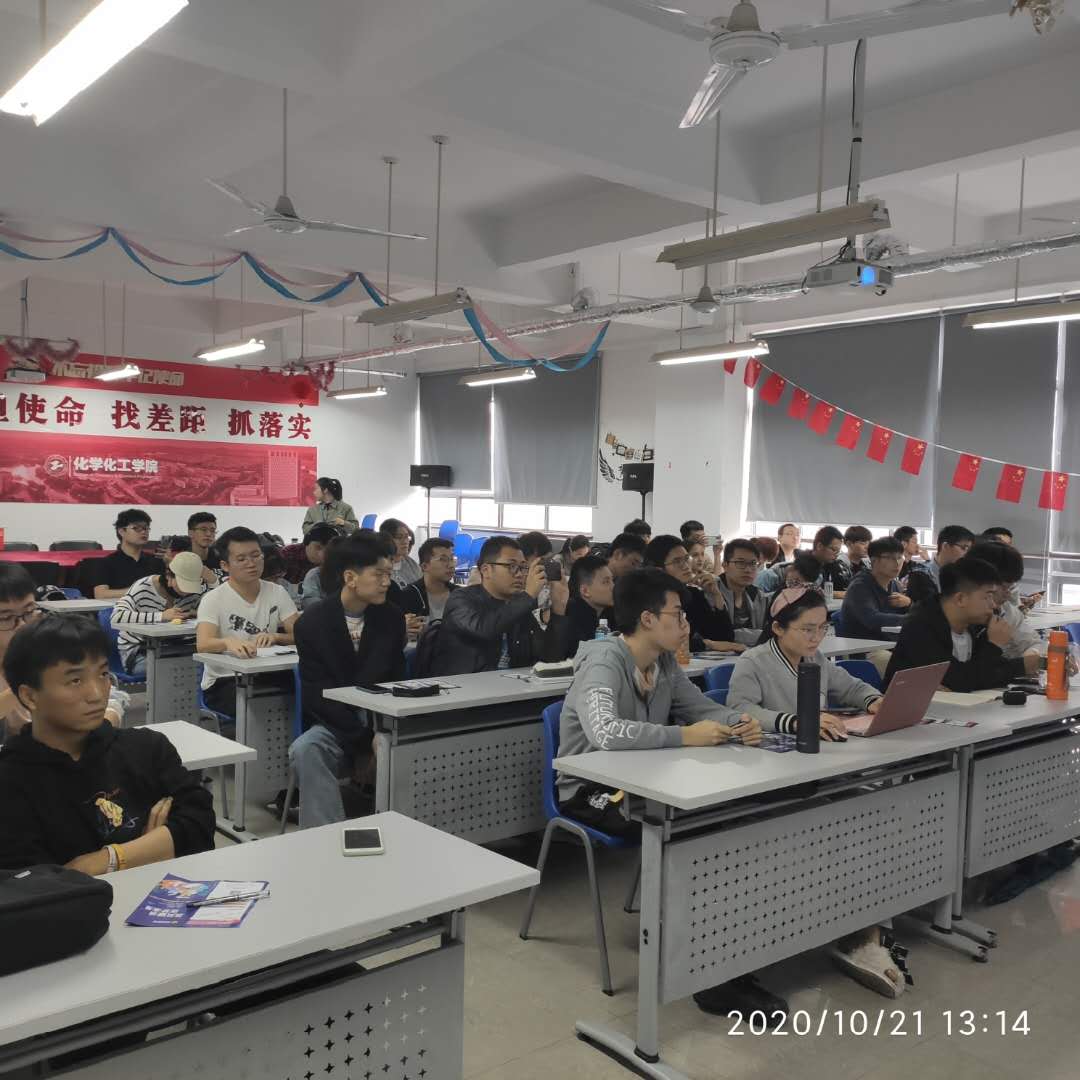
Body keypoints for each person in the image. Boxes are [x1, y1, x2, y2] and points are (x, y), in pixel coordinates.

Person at [556, 568, 772, 1020]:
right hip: (592, 791)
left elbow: (700, 708)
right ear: (648, 618)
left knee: (728, 822)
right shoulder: (604, 661)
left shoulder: (664, 663)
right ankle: (705, 973)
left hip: (649, 783)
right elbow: (605, 732)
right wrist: (683, 737)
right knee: (692, 837)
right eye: (678, 615)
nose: (686, 625)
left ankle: (724, 954)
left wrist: (738, 722)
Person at [728, 588, 910, 998]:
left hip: (817, 770)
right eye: (806, 629)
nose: (816, 638)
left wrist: (874, 700)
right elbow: (741, 710)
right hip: (769, 780)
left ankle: (864, 930)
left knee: (873, 815)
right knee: (847, 825)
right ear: (778, 628)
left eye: (822, 629)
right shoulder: (754, 662)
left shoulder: (816, 660)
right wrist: (795, 721)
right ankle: (857, 933)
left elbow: (850, 686)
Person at [0, 615, 213, 873]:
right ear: (29, 696)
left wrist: (108, 859)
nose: (97, 693)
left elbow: (200, 826)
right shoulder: (11, 779)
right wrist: (154, 847)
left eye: (102, 674)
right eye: (75, 680)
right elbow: (30, 881)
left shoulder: (147, 748)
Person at [290, 534, 406, 829]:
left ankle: (400, 830)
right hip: (336, 722)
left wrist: (379, 731)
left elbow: (396, 682)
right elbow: (318, 697)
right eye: (378, 574)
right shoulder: (312, 623)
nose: (387, 582)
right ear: (351, 577)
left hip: (381, 719)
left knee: (401, 745)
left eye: (389, 574)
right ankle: (326, 836)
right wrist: (363, 742)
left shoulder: (391, 619)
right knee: (307, 748)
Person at [0, 566, 127, 739]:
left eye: (29, 612)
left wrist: (106, 721)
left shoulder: (51, 644)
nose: (22, 625)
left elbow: (113, 698)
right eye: (6, 618)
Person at [884, 556, 1041, 691]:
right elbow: (960, 680)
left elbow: (988, 673)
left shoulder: (975, 625)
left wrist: (1021, 665)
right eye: (987, 596)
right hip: (911, 712)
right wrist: (995, 646)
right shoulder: (921, 627)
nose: (993, 605)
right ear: (960, 599)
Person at [195, 526, 299, 717]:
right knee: (261, 704)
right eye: (241, 559)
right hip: (225, 680)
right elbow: (203, 644)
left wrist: (276, 637)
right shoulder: (213, 599)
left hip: (267, 671)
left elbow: (300, 635)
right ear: (225, 565)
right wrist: (228, 642)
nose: (251, 564)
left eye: (256, 556)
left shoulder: (277, 592)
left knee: (308, 689)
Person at [427, 536, 568, 675]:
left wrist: (558, 609)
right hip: (463, 686)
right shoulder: (461, 599)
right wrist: (528, 595)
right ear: (486, 570)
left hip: (510, 686)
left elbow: (549, 658)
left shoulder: (520, 604)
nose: (520, 574)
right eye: (512, 566)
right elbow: (485, 629)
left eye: (523, 567)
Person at [111, 552, 209, 678]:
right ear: (169, 576)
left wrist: (195, 613)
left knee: (206, 666)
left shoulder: (194, 593)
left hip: (179, 649)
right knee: (181, 670)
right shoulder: (143, 588)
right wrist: (161, 616)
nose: (186, 592)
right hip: (140, 653)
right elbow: (116, 617)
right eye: (183, 585)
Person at [644, 535, 742, 654]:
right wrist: (707, 644)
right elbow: (661, 641)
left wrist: (716, 595)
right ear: (659, 570)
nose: (686, 566)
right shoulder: (647, 599)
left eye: (686, 558)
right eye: (677, 561)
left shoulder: (693, 594)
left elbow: (724, 638)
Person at [968, 541, 1041, 661]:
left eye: (1011, 588)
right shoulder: (956, 620)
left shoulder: (1007, 611)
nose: (1008, 595)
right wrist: (993, 645)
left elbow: (1034, 643)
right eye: (1004, 587)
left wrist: (1032, 655)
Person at [839, 537, 911, 641]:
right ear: (874, 560)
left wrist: (909, 603)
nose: (897, 563)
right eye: (890, 558)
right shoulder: (859, 586)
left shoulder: (895, 585)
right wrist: (913, 619)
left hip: (889, 642)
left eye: (900, 557)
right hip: (865, 646)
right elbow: (872, 619)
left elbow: (907, 614)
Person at [548, 555, 615, 660]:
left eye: (612, 580)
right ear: (585, 591)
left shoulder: (610, 613)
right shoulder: (569, 616)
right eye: (606, 582)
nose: (613, 586)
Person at [393, 537, 458, 638]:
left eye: (452, 558)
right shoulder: (408, 595)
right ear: (424, 566)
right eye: (443, 559)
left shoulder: (459, 594)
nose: (451, 565)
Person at [93, 509, 164, 600]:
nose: (144, 532)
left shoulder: (156, 560)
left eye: (146, 528)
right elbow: (101, 594)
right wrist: (139, 590)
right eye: (137, 528)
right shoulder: (107, 562)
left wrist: (169, 563)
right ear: (122, 531)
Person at [756, 526, 847, 596]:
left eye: (838, 551)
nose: (836, 554)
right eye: (833, 550)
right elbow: (754, 596)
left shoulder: (831, 568)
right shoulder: (779, 571)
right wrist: (786, 595)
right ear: (819, 546)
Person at [905, 525, 976, 604]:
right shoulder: (920, 574)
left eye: (969, 550)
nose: (966, 554)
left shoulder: (961, 576)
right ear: (945, 546)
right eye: (964, 548)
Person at [716, 539, 768, 645]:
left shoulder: (758, 596)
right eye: (740, 563)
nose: (748, 570)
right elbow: (716, 635)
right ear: (725, 565)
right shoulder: (712, 592)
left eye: (753, 563)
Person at [285, 522, 338, 590]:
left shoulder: (332, 559)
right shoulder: (288, 553)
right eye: (318, 547)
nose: (322, 554)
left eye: (327, 550)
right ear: (306, 542)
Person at [379, 518, 421, 587]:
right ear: (386, 540)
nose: (405, 541)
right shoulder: (379, 566)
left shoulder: (412, 565)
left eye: (407, 537)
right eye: (399, 537)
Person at [187, 512, 223, 582]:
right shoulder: (182, 560)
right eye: (203, 529)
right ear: (190, 533)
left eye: (212, 530)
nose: (208, 534)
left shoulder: (222, 559)